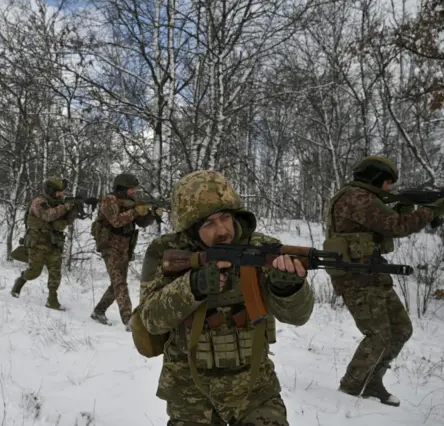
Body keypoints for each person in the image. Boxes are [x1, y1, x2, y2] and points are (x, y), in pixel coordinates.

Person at [136, 170, 314, 425]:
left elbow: (299, 317)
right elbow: (151, 319)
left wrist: (288, 289)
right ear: (190, 228)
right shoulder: (166, 253)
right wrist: (192, 286)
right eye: (209, 224)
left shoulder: (263, 249)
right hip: (189, 391)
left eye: (225, 218)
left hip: (253, 387)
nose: (222, 230)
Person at [324, 156, 444, 406]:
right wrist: (431, 209)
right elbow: (397, 226)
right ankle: (350, 388)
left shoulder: (366, 198)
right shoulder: (356, 198)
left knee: (401, 329)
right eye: (387, 182)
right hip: (356, 279)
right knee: (378, 335)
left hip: (372, 275)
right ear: (375, 178)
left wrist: (407, 205)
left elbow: (385, 224)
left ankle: (371, 381)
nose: (388, 188)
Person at [90, 173, 157, 331]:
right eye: (132, 189)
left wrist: (152, 214)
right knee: (120, 283)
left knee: (117, 284)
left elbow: (141, 223)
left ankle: (99, 311)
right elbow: (116, 221)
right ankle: (129, 320)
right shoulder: (109, 200)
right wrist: (135, 211)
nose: (134, 192)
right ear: (122, 188)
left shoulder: (132, 202)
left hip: (124, 247)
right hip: (109, 245)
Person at [11, 177, 77, 311]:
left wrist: (74, 211)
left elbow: (62, 221)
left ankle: (52, 299)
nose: (61, 195)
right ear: (50, 190)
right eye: (58, 192)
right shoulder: (38, 202)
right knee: (34, 272)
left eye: (62, 192)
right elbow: (48, 216)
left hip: (54, 243)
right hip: (38, 243)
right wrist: (66, 207)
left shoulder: (59, 203)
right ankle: (21, 280)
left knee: (55, 272)